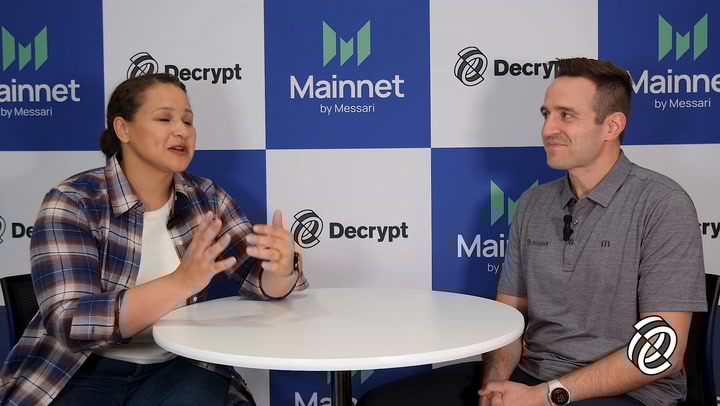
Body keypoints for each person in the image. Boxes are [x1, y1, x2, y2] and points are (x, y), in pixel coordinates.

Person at [356, 57, 707, 406]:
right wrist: (495, 388)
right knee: (381, 403)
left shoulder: (663, 204)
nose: (547, 129)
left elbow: (662, 354)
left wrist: (543, 396)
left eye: (566, 115)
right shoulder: (533, 203)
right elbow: (508, 318)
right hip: (531, 375)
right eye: (546, 114)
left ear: (612, 126)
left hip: (628, 392)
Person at [0, 73, 308, 406]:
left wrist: (281, 270)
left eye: (188, 121)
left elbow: (260, 282)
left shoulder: (206, 198)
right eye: (164, 119)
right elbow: (68, 321)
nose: (182, 131)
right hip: (80, 368)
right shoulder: (73, 201)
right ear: (123, 129)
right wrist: (180, 283)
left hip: (178, 364)